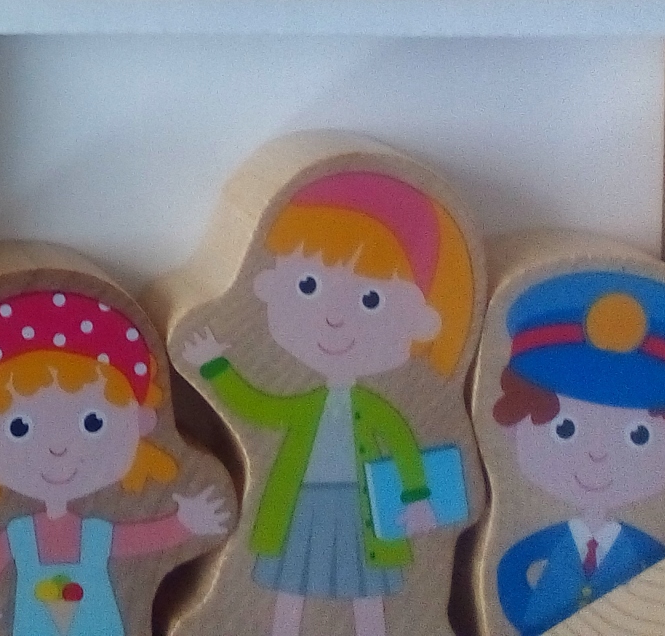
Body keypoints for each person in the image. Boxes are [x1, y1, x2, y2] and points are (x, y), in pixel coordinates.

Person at [177, 169, 474, 636]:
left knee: (368, 588)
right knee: (291, 584)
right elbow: (258, 406)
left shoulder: (380, 407)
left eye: (371, 299)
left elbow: (402, 446)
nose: (335, 317)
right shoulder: (305, 402)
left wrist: (416, 497)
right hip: (305, 507)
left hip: (360, 510)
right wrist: (215, 366)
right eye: (309, 285)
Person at [0, 286, 230, 636]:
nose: (57, 448)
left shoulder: (93, 534)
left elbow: (137, 540)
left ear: (141, 421)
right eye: (19, 427)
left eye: (93, 422)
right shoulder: (21, 535)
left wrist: (185, 525)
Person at [489, 269, 665, 635]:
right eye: (564, 428)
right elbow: (511, 569)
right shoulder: (541, 538)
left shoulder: (651, 547)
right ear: (513, 423)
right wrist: (528, 618)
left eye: (639, 435)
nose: (597, 455)